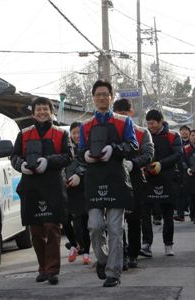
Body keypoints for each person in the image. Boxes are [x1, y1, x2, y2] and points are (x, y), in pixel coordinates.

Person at [79, 80, 138, 287]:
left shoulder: (124, 122)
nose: (102, 97)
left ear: (111, 97)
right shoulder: (85, 125)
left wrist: (115, 149)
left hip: (116, 178)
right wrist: (85, 154)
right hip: (94, 179)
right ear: (93, 98)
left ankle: (114, 273)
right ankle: (103, 260)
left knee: (115, 228)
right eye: (98, 94)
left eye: (106, 94)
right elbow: (79, 151)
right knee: (95, 226)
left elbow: (133, 145)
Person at [11, 97, 72, 285]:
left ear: (51, 112)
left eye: (45, 109)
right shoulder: (24, 134)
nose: (42, 112)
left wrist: (49, 161)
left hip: (53, 186)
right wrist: (21, 165)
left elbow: (68, 156)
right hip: (31, 188)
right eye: (38, 110)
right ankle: (42, 267)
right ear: (33, 113)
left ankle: (53, 270)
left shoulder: (61, 134)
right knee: (36, 231)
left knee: (52, 228)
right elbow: (14, 156)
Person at [113, 98, 154, 269]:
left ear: (131, 113)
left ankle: (133, 255)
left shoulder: (142, 132)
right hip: (114, 179)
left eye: (125, 114)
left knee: (134, 218)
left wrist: (133, 163)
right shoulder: (109, 132)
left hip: (136, 178)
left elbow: (148, 153)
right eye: (118, 115)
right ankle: (120, 254)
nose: (122, 118)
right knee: (115, 220)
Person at [140, 109, 182, 257]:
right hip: (148, 179)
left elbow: (178, 154)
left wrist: (161, 164)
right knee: (145, 213)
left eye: (153, 123)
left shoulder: (173, 136)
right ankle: (146, 244)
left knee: (168, 214)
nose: (150, 126)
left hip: (167, 179)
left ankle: (168, 245)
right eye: (148, 123)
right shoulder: (145, 136)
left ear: (161, 121)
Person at [65, 121, 91, 265]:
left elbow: (91, 166)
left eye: (78, 132)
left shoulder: (88, 147)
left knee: (83, 222)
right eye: (73, 133)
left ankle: (86, 252)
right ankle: (74, 245)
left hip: (83, 190)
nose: (76, 135)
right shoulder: (67, 148)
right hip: (68, 189)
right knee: (65, 219)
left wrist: (79, 176)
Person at [175, 125, 191, 222]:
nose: (184, 132)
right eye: (182, 131)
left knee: (190, 193)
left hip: (191, 170)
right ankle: (180, 214)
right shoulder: (178, 142)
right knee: (179, 192)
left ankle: (192, 212)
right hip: (180, 170)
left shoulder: (193, 143)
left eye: (186, 131)